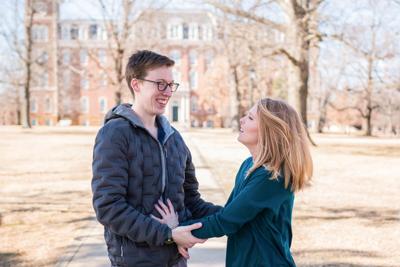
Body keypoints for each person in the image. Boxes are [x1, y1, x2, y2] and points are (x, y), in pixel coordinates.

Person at [91, 50, 222, 267]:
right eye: (160, 84)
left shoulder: (175, 139)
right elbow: (109, 207)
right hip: (135, 261)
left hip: (176, 260)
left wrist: (233, 216)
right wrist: (168, 234)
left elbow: (190, 200)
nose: (167, 92)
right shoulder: (115, 134)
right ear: (136, 84)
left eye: (171, 85)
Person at [154, 98, 313, 266]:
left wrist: (177, 231)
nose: (242, 120)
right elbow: (231, 215)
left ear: (269, 131)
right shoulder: (248, 166)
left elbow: (227, 221)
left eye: (250, 118)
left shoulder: (272, 177)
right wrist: (182, 228)